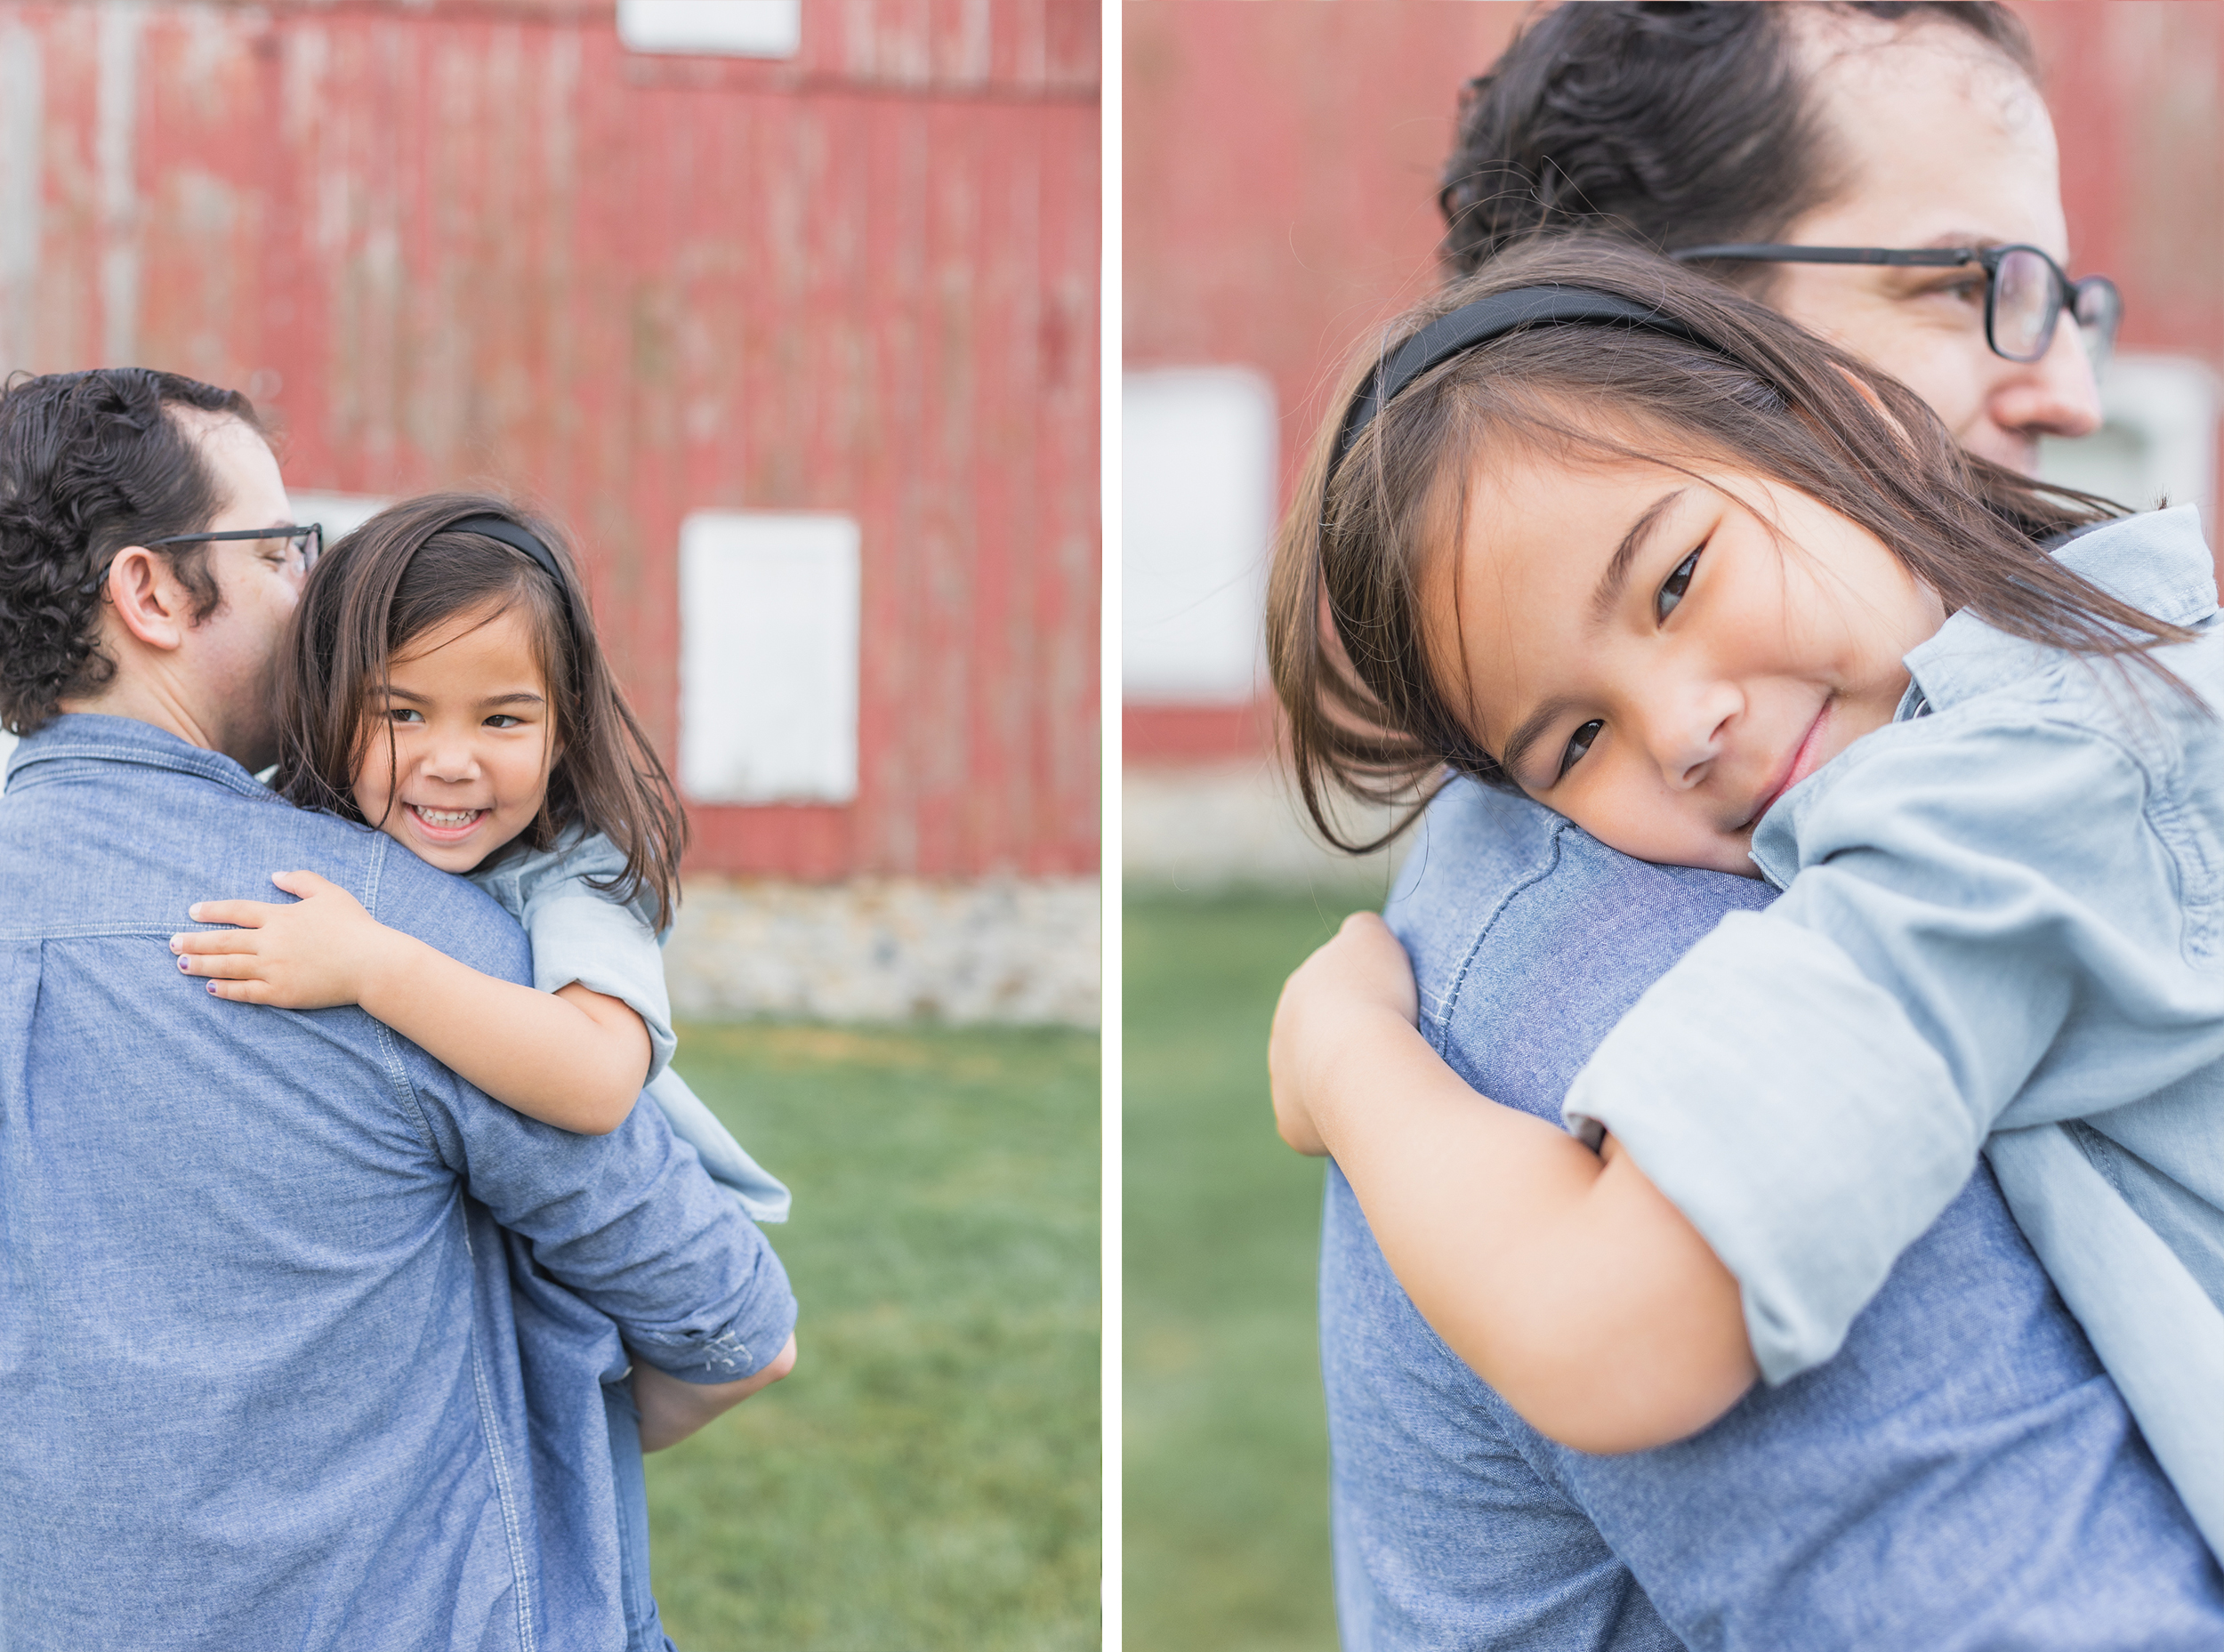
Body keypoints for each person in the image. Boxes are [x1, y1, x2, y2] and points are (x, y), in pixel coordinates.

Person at [1267, 4, 2224, 1646]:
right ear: (1709, 338)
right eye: (1966, 284)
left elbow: (1608, 1320)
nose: (2065, 385)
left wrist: (1346, 1062)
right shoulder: (1632, 953)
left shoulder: (1982, 802)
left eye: (1681, 578)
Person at [0, 367, 796, 1650]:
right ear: (150, 592)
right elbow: (736, 1326)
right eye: (276, 551)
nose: (314, 592)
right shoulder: (380, 922)